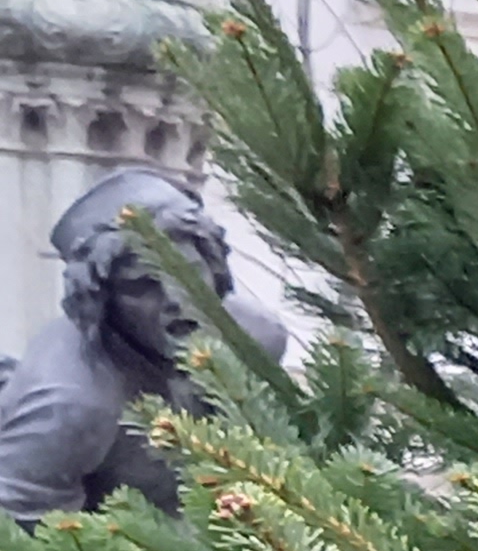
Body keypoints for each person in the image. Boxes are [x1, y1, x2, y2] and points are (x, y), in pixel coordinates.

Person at [0, 168, 283, 519]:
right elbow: (18, 533)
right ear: (103, 302)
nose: (177, 300)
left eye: (187, 271)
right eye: (142, 285)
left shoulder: (255, 339)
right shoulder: (72, 402)